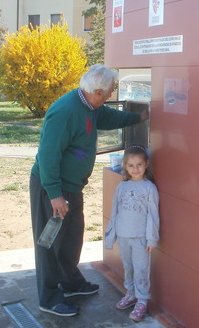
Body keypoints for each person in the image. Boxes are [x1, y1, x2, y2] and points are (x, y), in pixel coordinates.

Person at [30, 64, 147, 317]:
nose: (111, 96)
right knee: (49, 242)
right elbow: (48, 155)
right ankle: (49, 298)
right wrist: (55, 194)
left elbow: (110, 117)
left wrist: (140, 116)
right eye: (110, 92)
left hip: (72, 186)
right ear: (98, 92)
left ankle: (70, 283)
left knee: (72, 238)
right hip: (52, 188)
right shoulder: (64, 111)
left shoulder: (90, 106)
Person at [104, 144, 160, 323]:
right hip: (123, 236)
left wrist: (151, 238)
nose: (135, 169)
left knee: (141, 270)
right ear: (125, 167)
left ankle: (142, 300)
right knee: (128, 267)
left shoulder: (149, 187)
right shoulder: (122, 187)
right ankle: (131, 293)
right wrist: (111, 235)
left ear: (146, 164)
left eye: (139, 165)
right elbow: (115, 212)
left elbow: (153, 215)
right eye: (131, 165)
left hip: (141, 239)